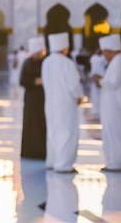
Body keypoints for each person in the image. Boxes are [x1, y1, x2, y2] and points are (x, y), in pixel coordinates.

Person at [41, 32, 85, 173]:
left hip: (50, 102)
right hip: (65, 103)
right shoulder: (67, 63)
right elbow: (73, 84)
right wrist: (80, 96)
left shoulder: (46, 62)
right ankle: (64, 165)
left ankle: (53, 161)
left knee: (53, 131)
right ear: (65, 48)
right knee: (67, 132)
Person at [93, 34, 121, 172]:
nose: (104, 56)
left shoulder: (118, 61)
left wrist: (99, 81)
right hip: (119, 104)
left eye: (105, 52)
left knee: (115, 133)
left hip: (115, 107)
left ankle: (117, 163)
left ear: (110, 50)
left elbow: (113, 82)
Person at [19, 36, 47, 159]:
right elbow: (22, 80)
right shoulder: (27, 63)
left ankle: (42, 152)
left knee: (42, 124)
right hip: (30, 98)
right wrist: (36, 81)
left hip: (43, 98)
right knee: (30, 124)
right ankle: (29, 152)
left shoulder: (46, 62)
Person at [88, 49, 107, 118]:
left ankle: (98, 109)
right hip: (97, 75)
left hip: (100, 76)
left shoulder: (98, 58)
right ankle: (96, 109)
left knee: (99, 94)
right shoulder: (96, 58)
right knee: (96, 94)